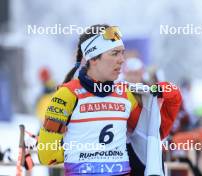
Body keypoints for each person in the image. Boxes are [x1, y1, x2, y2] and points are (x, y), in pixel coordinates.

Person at [37, 24, 182, 176]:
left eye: (122, 53)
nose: (122, 60)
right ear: (93, 58)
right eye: (114, 53)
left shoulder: (125, 94)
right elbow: (47, 155)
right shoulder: (67, 94)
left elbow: (150, 135)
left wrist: (171, 96)